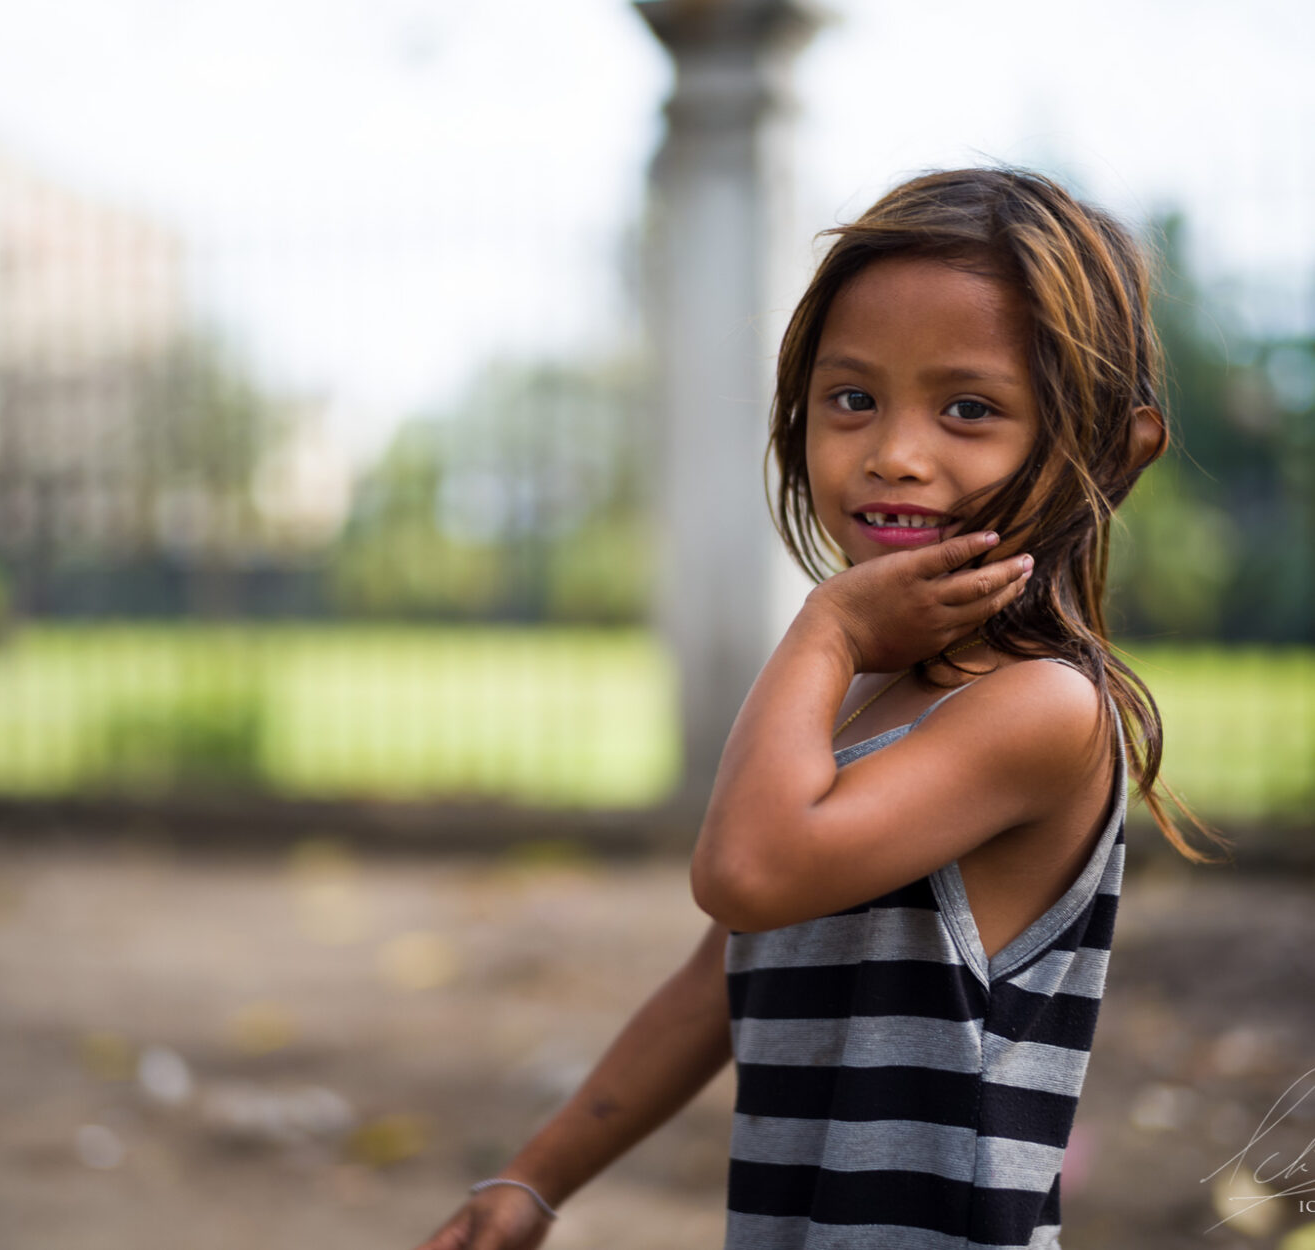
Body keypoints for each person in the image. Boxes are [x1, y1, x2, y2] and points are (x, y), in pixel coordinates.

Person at [412, 166, 1227, 1250]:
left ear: (1111, 451)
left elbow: (745, 872)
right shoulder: (862, 692)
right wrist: (536, 1179)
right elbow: (723, 968)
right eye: (852, 399)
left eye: (969, 409)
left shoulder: (1041, 710)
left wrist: (828, 630)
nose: (893, 454)